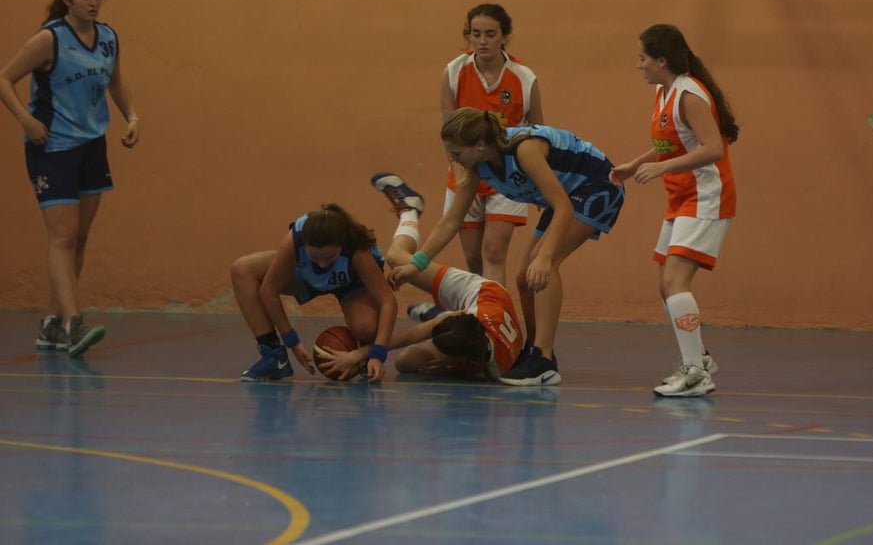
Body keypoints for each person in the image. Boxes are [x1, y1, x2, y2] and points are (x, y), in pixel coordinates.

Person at [389, 108, 624, 386]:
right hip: (567, 196)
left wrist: (546, 257)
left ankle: (544, 359)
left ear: (479, 145)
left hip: (598, 186)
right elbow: (451, 220)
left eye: (456, 153)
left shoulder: (524, 149)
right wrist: (416, 265)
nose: (453, 159)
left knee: (542, 264)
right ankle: (535, 350)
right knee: (525, 278)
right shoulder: (476, 164)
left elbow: (562, 206)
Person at [0, 0, 141, 357]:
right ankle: (71, 322)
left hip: (92, 146)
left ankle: (50, 323)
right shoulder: (49, 40)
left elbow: (115, 81)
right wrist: (26, 121)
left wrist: (132, 117)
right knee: (61, 237)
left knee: (78, 239)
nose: (93, 3)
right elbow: (3, 79)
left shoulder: (109, 37)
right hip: (53, 147)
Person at [609, 24, 738, 398]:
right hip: (681, 197)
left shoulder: (689, 94)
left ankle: (696, 373)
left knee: (675, 282)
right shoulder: (665, 92)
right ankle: (699, 356)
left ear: (661, 60)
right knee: (665, 284)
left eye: (642, 58)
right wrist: (635, 164)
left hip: (706, 196)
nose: (638, 65)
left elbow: (714, 148)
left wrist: (663, 168)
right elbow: (672, 144)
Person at [370, 172, 525, 380]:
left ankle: (437, 313)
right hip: (484, 293)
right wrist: (369, 354)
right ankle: (410, 209)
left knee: (408, 361)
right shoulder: (487, 354)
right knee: (397, 258)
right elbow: (414, 335)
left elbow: (403, 359)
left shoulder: (497, 367)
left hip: (485, 311)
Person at [230, 203, 398, 383]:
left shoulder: (357, 250)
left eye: (330, 257)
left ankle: (363, 356)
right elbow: (269, 291)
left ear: (341, 245)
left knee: (366, 327)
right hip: (306, 275)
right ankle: (274, 357)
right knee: (242, 270)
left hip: (351, 283)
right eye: (315, 257)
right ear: (305, 244)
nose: (323, 264)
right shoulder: (294, 239)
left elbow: (388, 301)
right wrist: (292, 342)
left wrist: (378, 354)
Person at [439, 4, 543, 288]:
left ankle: (496, 327)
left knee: (494, 253)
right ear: (468, 36)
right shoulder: (454, 72)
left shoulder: (524, 78)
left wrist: (539, 185)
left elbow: (538, 134)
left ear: (504, 37)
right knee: (473, 259)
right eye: (476, 34)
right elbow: (448, 134)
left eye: (490, 34)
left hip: (506, 175)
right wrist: (461, 175)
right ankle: (480, 319)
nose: (482, 41)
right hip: (467, 173)